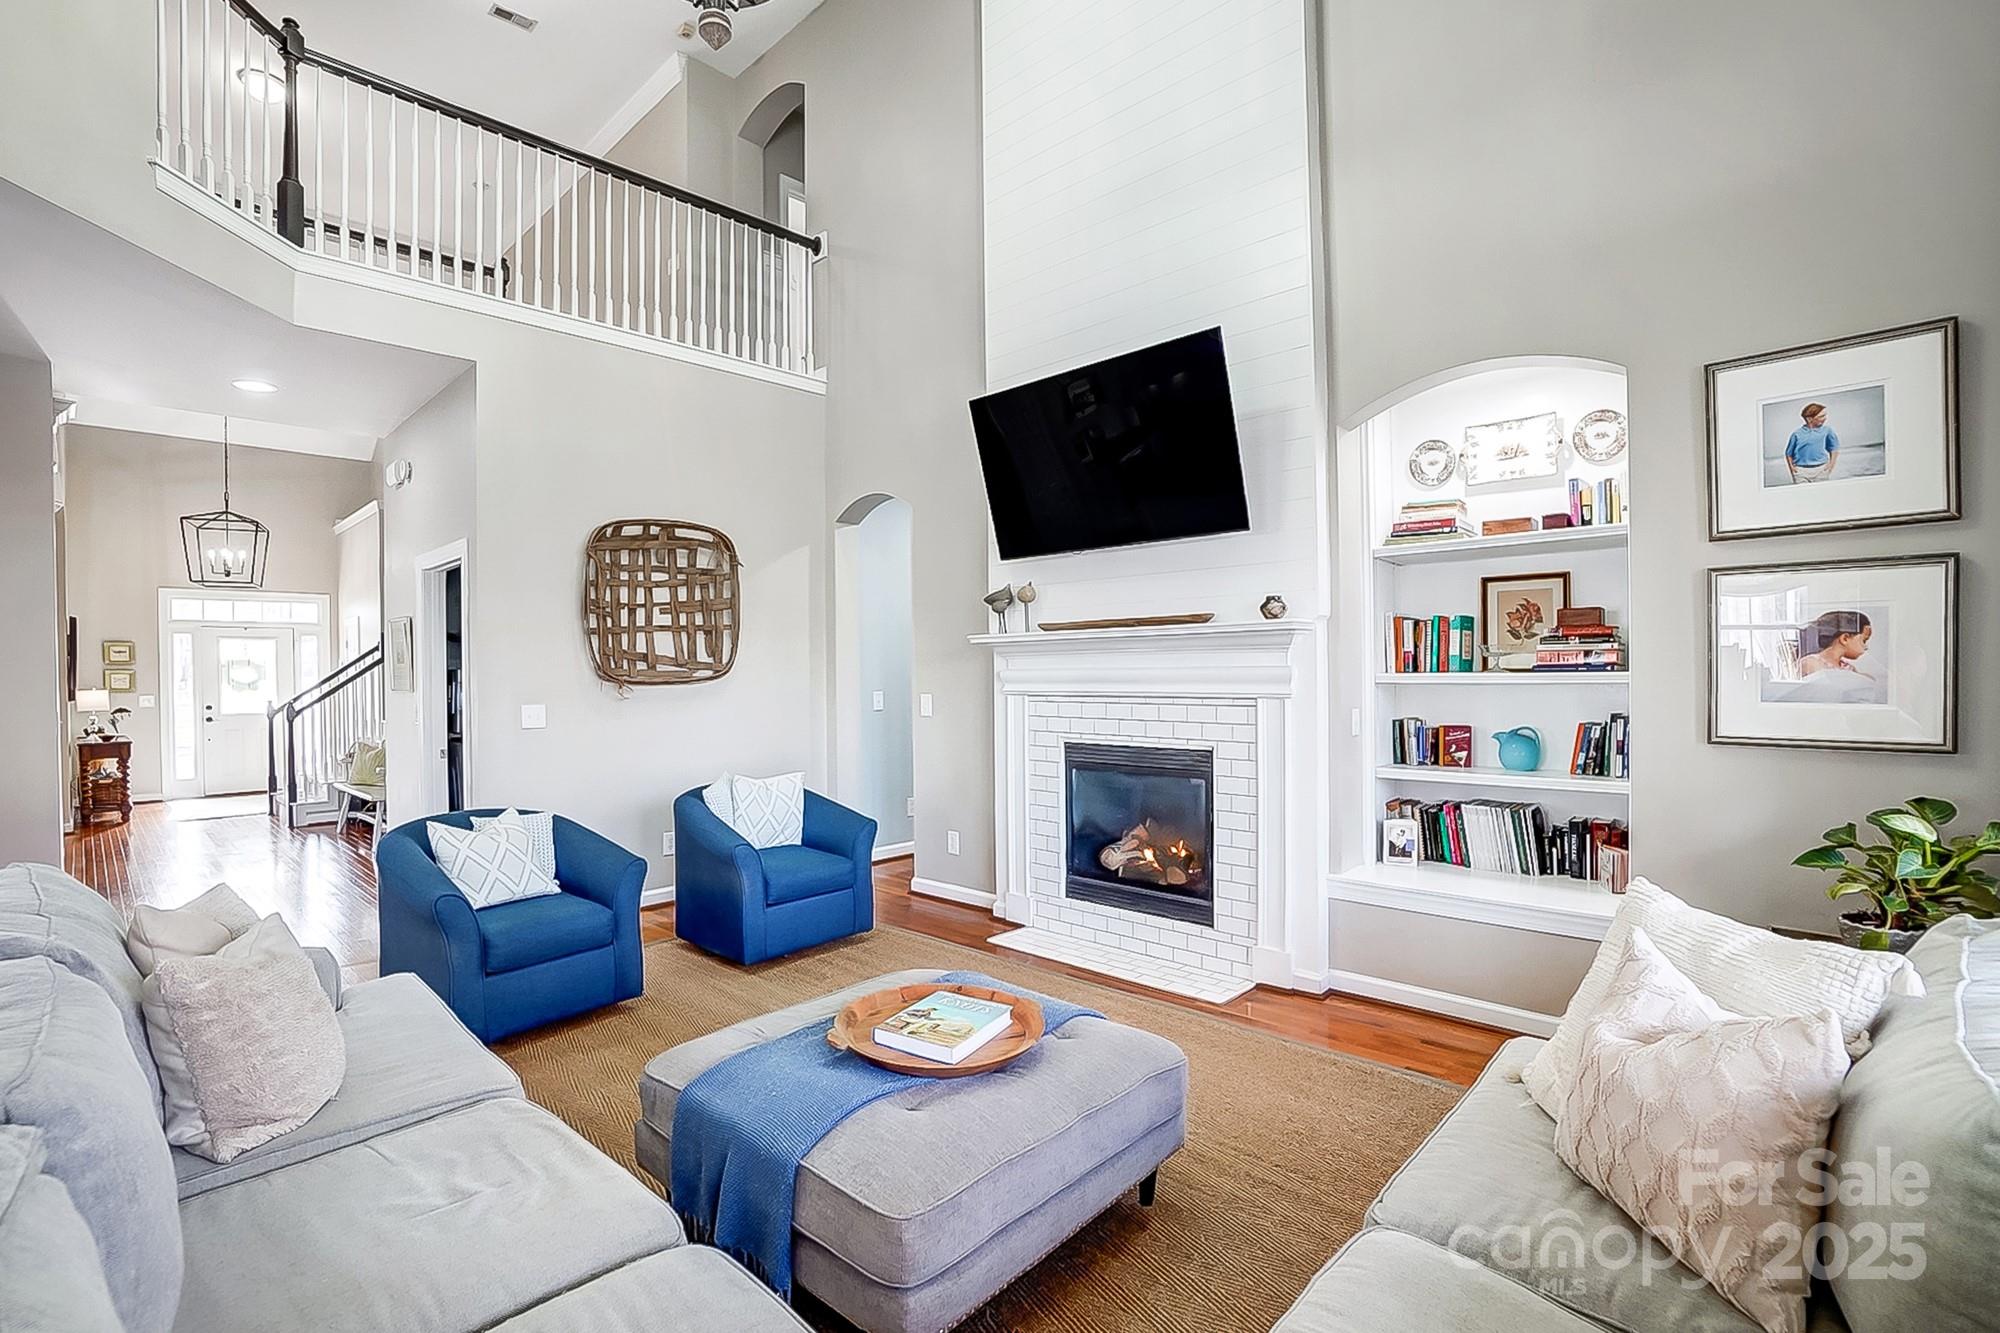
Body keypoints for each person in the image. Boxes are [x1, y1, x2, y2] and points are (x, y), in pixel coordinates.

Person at [1798, 610, 1872, 679]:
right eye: (1863, 641)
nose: (1865, 647)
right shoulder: (1811, 663)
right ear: (1845, 638)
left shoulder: (1848, 667)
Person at [1784, 401, 1841, 483]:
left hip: (1821, 470)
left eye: (1825, 415)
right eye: (1821, 416)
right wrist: (1792, 469)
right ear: (1809, 419)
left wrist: (1831, 465)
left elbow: (1834, 448)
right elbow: (1788, 454)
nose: (1825, 418)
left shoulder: (1827, 430)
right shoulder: (1796, 434)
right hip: (1801, 471)